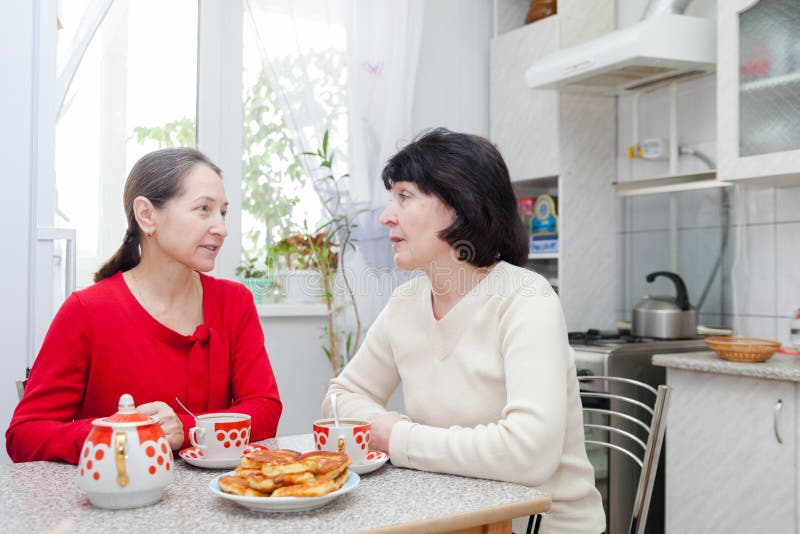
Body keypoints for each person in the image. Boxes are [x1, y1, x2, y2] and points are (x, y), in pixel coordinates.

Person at [322, 129, 605, 533]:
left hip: (539, 526)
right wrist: (381, 427)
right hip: (449, 518)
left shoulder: (525, 298)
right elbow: (340, 397)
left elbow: (529, 454)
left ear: (459, 205)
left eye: (404, 197)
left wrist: (398, 437)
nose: (386, 216)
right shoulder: (406, 303)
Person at [7, 147, 282, 464]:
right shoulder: (86, 310)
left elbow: (264, 409)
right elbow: (24, 435)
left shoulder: (235, 302)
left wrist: (187, 428)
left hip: (218, 502)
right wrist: (119, 434)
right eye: (203, 209)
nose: (221, 228)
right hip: (120, 503)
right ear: (147, 215)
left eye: (223, 212)